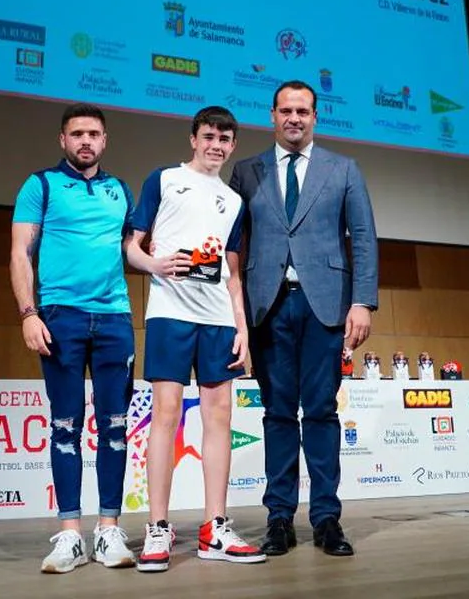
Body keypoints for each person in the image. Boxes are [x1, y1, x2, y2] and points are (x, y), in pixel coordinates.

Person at [227, 80, 378, 557]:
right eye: (286, 110)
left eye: (304, 111)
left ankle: (327, 519)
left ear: (316, 116)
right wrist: (231, 313)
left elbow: (365, 238)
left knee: (321, 412)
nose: (295, 118)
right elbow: (231, 246)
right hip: (266, 307)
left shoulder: (344, 169)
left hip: (326, 305)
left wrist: (362, 301)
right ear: (271, 114)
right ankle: (278, 519)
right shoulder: (246, 171)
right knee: (275, 414)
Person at [126, 105, 266, 573]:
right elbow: (132, 244)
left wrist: (243, 329)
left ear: (232, 146)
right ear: (193, 138)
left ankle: (215, 528)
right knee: (165, 414)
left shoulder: (234, 201)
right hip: (169, 314)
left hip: (219, 321)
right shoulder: (163, 180)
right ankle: (159, 529)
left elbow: (233, 273)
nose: (216, 145)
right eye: (209, 136)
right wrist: (153, 265)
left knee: (219, 417)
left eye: (225, 139)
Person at [10, 103, 137, 574]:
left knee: (116, 429)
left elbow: (132, 251)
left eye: (94, 134)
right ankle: (69, 536)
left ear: (105, 141)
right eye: (77, 133)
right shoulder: (40, 185)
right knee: (64, 427)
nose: (86, 140)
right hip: (59, 317)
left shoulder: (121, 190)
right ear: (63, 140)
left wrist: (163, 261)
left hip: (114, 320)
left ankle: (108, 531)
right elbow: (20, 253)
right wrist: (28, 313)